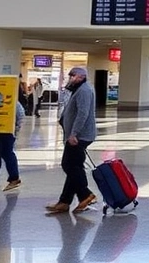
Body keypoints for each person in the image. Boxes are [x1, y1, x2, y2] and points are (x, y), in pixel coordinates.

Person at [46, 67, 97, 214]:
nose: (70, 79)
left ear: (81, 77)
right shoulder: (79, 90)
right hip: (76, 135)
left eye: (73, 76)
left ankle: (86, 194)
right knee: (74, 166)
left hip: (80, 136)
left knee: (69, 165)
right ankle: (64, 201)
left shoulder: (84, 91)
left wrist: (74, 133)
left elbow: (83, 113)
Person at [0, 95, 24, 191]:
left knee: (6, 153)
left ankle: (14, 178)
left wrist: (15, 129)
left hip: (6, 131)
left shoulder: (9, 95)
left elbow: (20, 113)